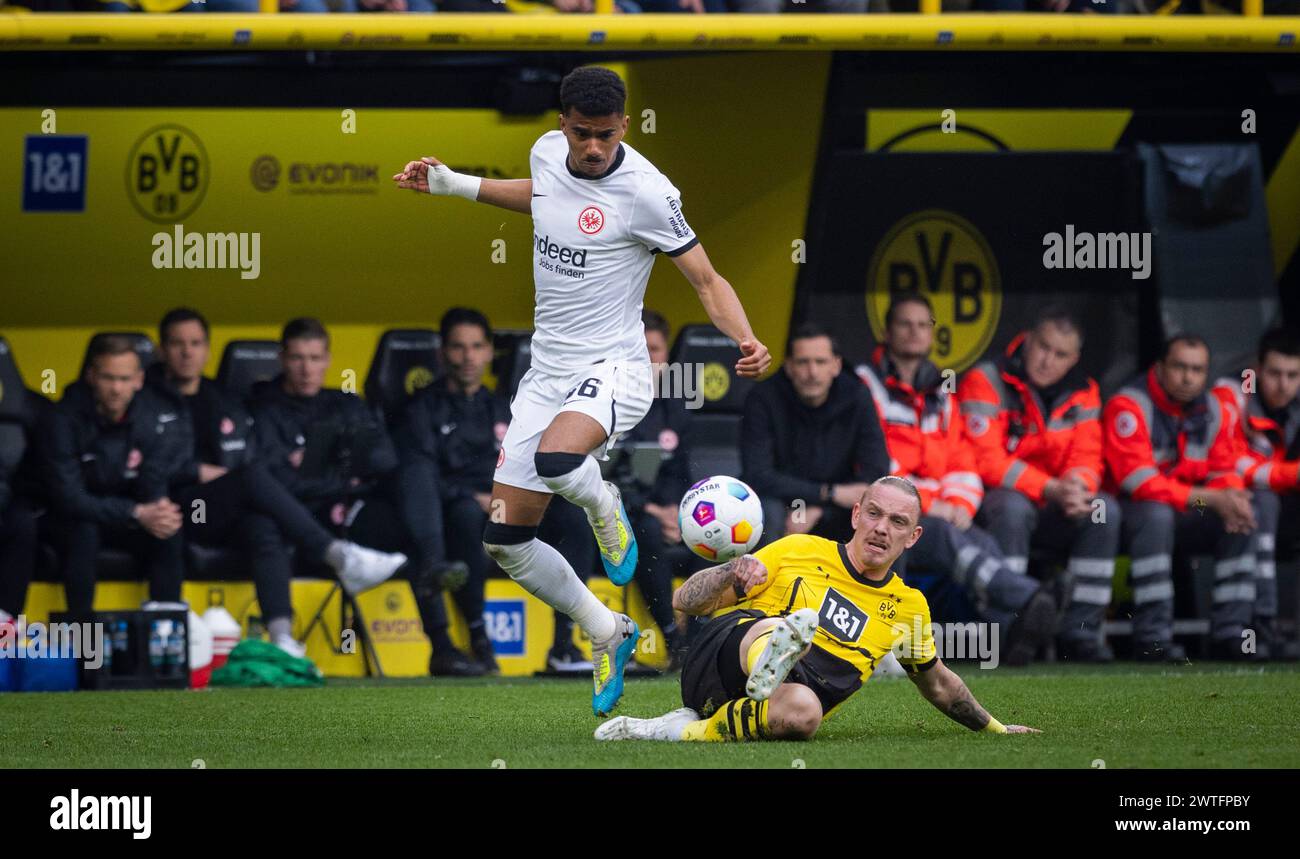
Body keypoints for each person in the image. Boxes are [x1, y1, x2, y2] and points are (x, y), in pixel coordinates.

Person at [394, 65, 771, 715]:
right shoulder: (547, 154)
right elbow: (543, 195)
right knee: (504, 541)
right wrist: (452, 184)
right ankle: (606, 629)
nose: (591, 147)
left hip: (616, 366)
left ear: (624, 126)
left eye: (603, 135)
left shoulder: (649, 193)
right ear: (561, 124)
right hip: (547, 373)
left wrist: (748, 338)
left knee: (560, 460)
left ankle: (605, 505)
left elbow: (706, 280)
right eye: (579, 134)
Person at [593, 477, 1041, 742]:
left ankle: (682, 730)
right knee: (775, 629)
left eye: (898, 522)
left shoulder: (909, 607)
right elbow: (684, 601)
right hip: (722, 660)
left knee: (805, 715)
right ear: (855, 515)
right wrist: (732, 571)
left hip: (761, 703)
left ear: (914, 537)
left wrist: (996, 730)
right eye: (874, 514)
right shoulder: (797, 549)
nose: (882, 529)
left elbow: (939, 684)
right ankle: (776, 648)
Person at [149, 307, 408, 657]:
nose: (187, 351)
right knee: (254, 475)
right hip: (184, 509)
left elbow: (382, 459)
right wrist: (196, 471)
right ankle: (337, 555)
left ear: (208, 349)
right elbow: (144, 462)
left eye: (195, 343)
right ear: (162, 349)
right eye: (178, 343)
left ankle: (282, 638)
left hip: (231, 504)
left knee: (263, 525)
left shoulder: (219, 397)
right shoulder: (145, 396)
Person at [249, 318, 478, 676]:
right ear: (282, 359)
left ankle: (442, 646)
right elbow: (274, 482)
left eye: (314, 358)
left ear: (327, 359)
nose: (306, 368)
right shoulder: (265, 409)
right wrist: (337, 470)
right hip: (302, 522)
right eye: (297, 358)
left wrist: (321, 465)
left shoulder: (344, 404)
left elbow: (385, 459)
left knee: (412, 493)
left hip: (352, 511)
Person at [394, 307, 599, 675]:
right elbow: (419, 480)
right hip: (461, 507)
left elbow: (534, 461)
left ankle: (564, 645)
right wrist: (473, 497)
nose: (468, 356)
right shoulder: (422, 409)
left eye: (476, 346)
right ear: (442, 353)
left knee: (571, 517)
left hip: (513, 500)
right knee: (466, 516)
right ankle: (479, 642)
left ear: (489, 352)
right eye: (458, 347)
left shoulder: (509, 405)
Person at [859, 296, 1056, 666]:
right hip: (889, 514)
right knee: (949, 537)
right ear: (887, 332)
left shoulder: (941, 389)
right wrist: (937, 505)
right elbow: (880, 466)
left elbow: (961, 459)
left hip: (937, 510)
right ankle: (1029, 598)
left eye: (924, 325)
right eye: (906, 324)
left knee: (978, 537)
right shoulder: (865, 385)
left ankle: (1008, 631)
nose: (915, 332)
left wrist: (960, 506)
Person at [959, 307, 1122, 662]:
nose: (1048, 360)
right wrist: (1050, 488)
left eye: (1060, 354)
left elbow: (1088, 454)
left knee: (1102, 510)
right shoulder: (986, 379)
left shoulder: (1085, 391)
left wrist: (1078, 488)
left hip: (1056, 504)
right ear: (1028, 340)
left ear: (1073, 358)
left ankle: (1080, 635)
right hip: (994, 506)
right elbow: (985, 461)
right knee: (1011, 506)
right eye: (1043, 347)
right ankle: (1007, 628)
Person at [1104, 334, 1257, 662]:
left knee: (1241, 515)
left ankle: (1231, 633)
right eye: (1179, 367)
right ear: (1160, 368)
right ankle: (1152, 638)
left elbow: (1224, 466)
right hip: (1130, 511)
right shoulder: (1129, 404)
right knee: (1156, 513)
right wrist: (1211, 498)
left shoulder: (1215, 408)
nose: (1188, 377)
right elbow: (1139, 482)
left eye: (1197, 369)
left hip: (1190, 505)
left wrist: (1230, 497)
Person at [35, 335, 185, 613]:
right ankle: (81, 635)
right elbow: (69, 497)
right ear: (92, 376)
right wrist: (137, 512)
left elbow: (153, 474)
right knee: (84, 530)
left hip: (123, 514)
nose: (117, 388)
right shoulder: (61, 419)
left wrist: (159, 505)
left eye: (125, 379)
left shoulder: (151, 418)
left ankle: (165, 632)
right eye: (108, 378)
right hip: (70, 517)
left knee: (168, 528)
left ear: (139, 380)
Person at [607, 309, 698, 668]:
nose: (646, 359)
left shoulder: (677, 409)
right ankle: (671, 637)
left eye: (655, 350)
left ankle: (698, 640)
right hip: (622, 513)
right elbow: (602, 474)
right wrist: (649, 509)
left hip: (667, 510)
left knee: (707, 535)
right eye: (638, 349)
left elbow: (682, 472)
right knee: (644, 530)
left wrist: (678, 510)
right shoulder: (607, 404)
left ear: (666, 356)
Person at [741, 323, 888, 542]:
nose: (813, 372)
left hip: (835, 508)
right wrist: (827, 493)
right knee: (764, 514)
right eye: (803, 362)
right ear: (789, 366)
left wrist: (821, 507)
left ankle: (886, 578)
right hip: (781, 503)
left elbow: (875, 471)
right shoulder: (763, 397)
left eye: (820, 362)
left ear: (836, 365)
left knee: (881, 519)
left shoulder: (856, 396)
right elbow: (758, 475)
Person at [1212, 327, 1300, 660]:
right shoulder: (1232, 391)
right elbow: (1229, 462)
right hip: (1222, 500)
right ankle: (1262, 621)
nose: (1284, 384)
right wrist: (1290, 474)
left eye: (1293, 375)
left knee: (1267, 500)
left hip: (1280, 499)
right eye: (1275, 373)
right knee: (1262, 501)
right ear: (1258, 369)